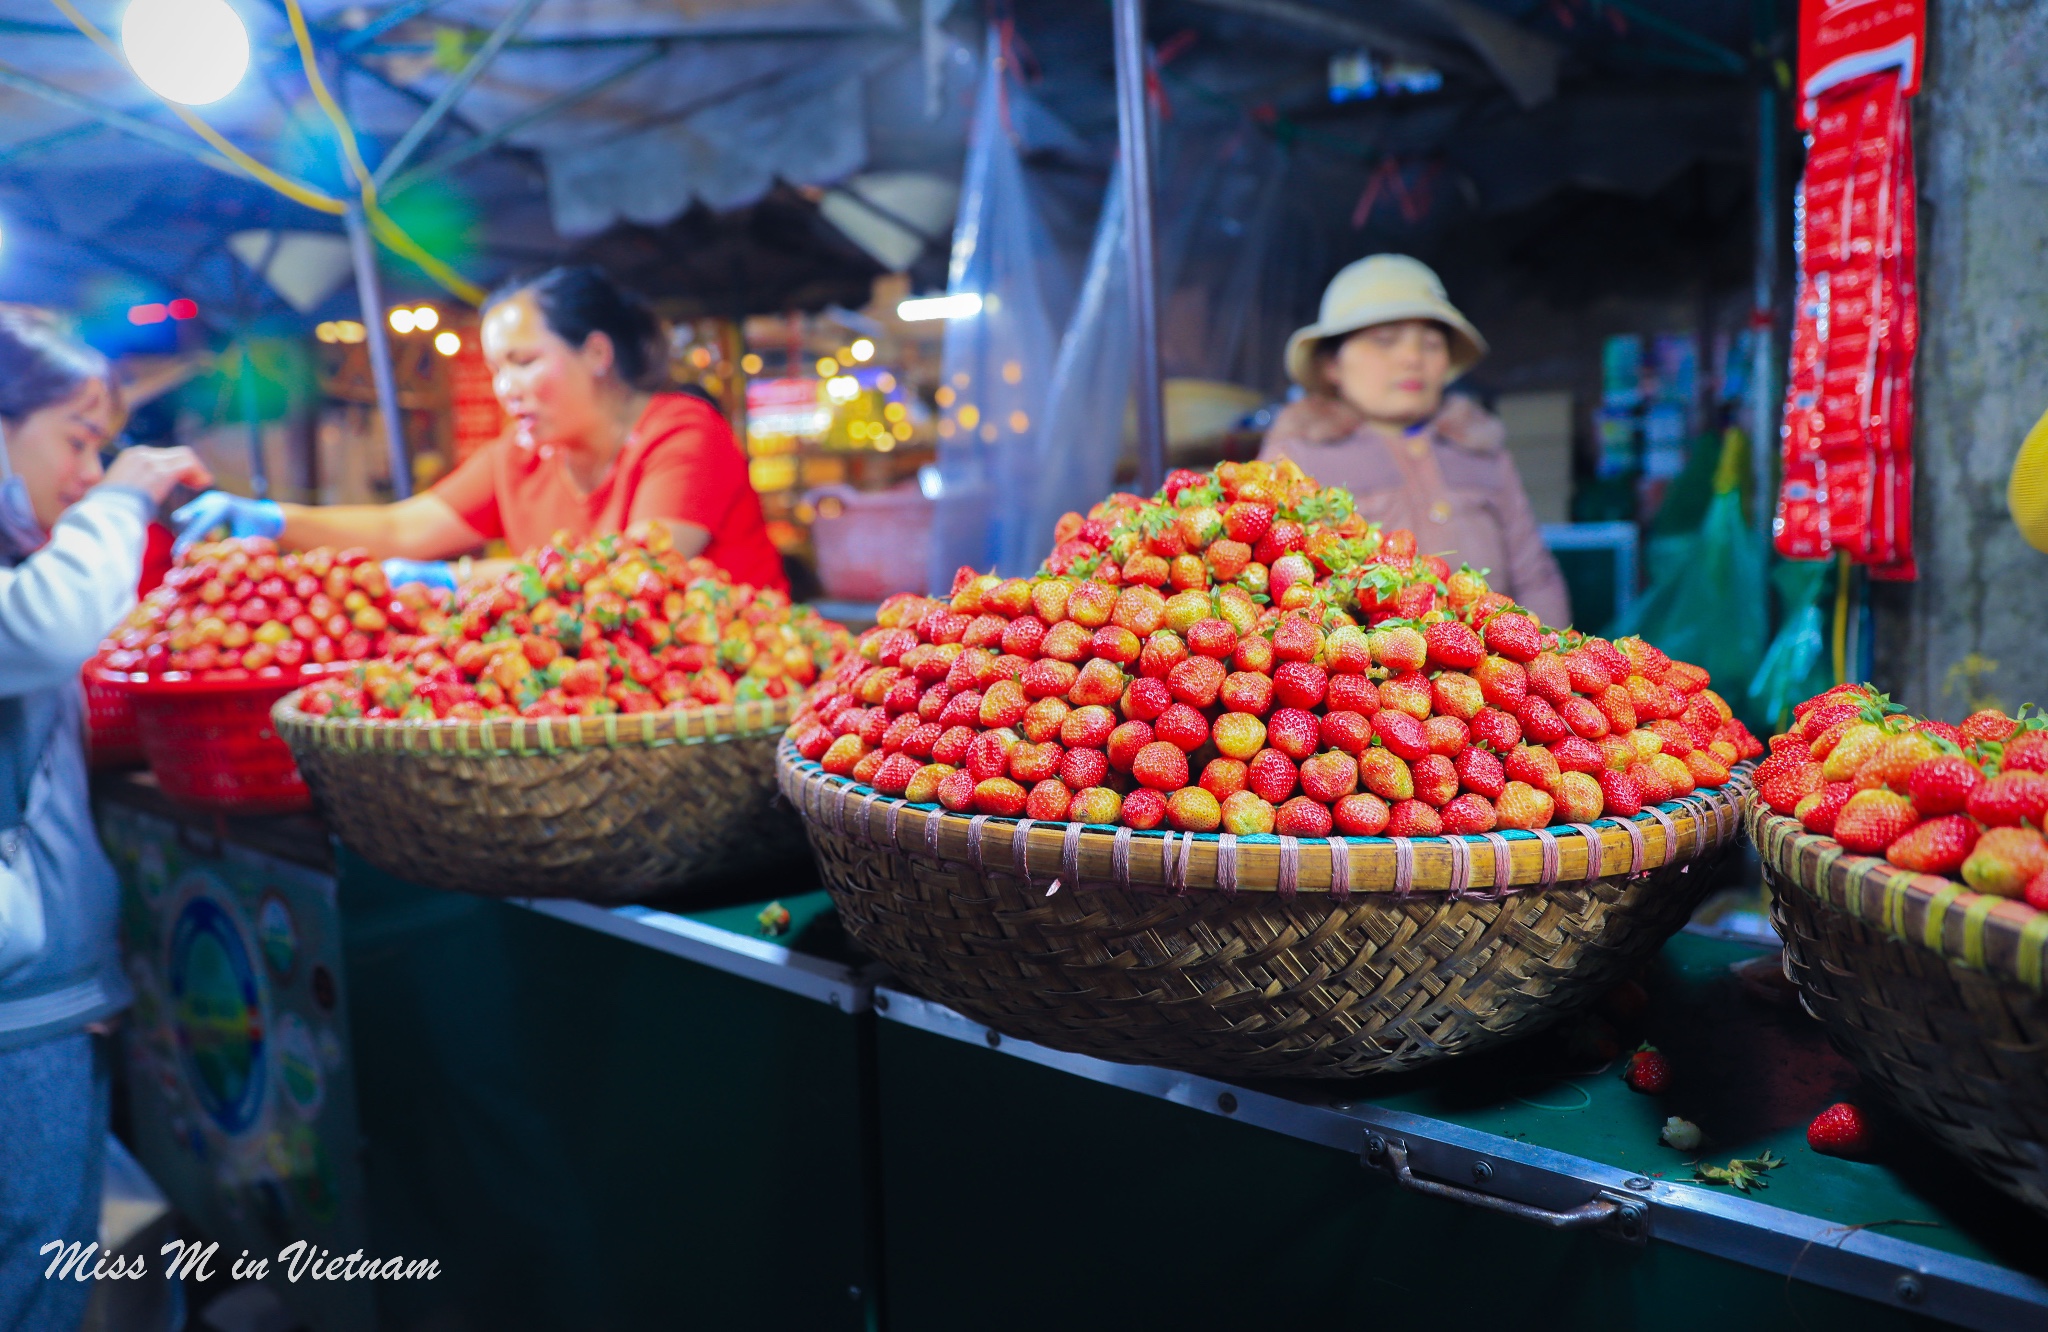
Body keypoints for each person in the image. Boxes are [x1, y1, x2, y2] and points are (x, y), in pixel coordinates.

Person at [0, 306, 211, 1332]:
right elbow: (44, 631)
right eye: (75, 439)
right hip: (14, 1009)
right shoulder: (37, 574)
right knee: (33, 1276)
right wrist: (122, 500)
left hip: (34, 994)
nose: (87, 468)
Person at [173, 266, 787, 591]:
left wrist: (457, 580)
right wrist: (277, 519)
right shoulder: (521, 457)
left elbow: (633, 570)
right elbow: (401, 527)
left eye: (524, 362)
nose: (505, 388)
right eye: (497, 369)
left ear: (597, 354)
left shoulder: (684, 434)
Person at [1261, 254, 1571, 627]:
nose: (1411, 358)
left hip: (1497, 674)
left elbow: (1534, 577)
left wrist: (1548, 666)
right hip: (1376, 677)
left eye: (1430, 343)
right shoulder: (1297, 455)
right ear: (1332, 364)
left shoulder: (1479, 447)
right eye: (1385, 340)